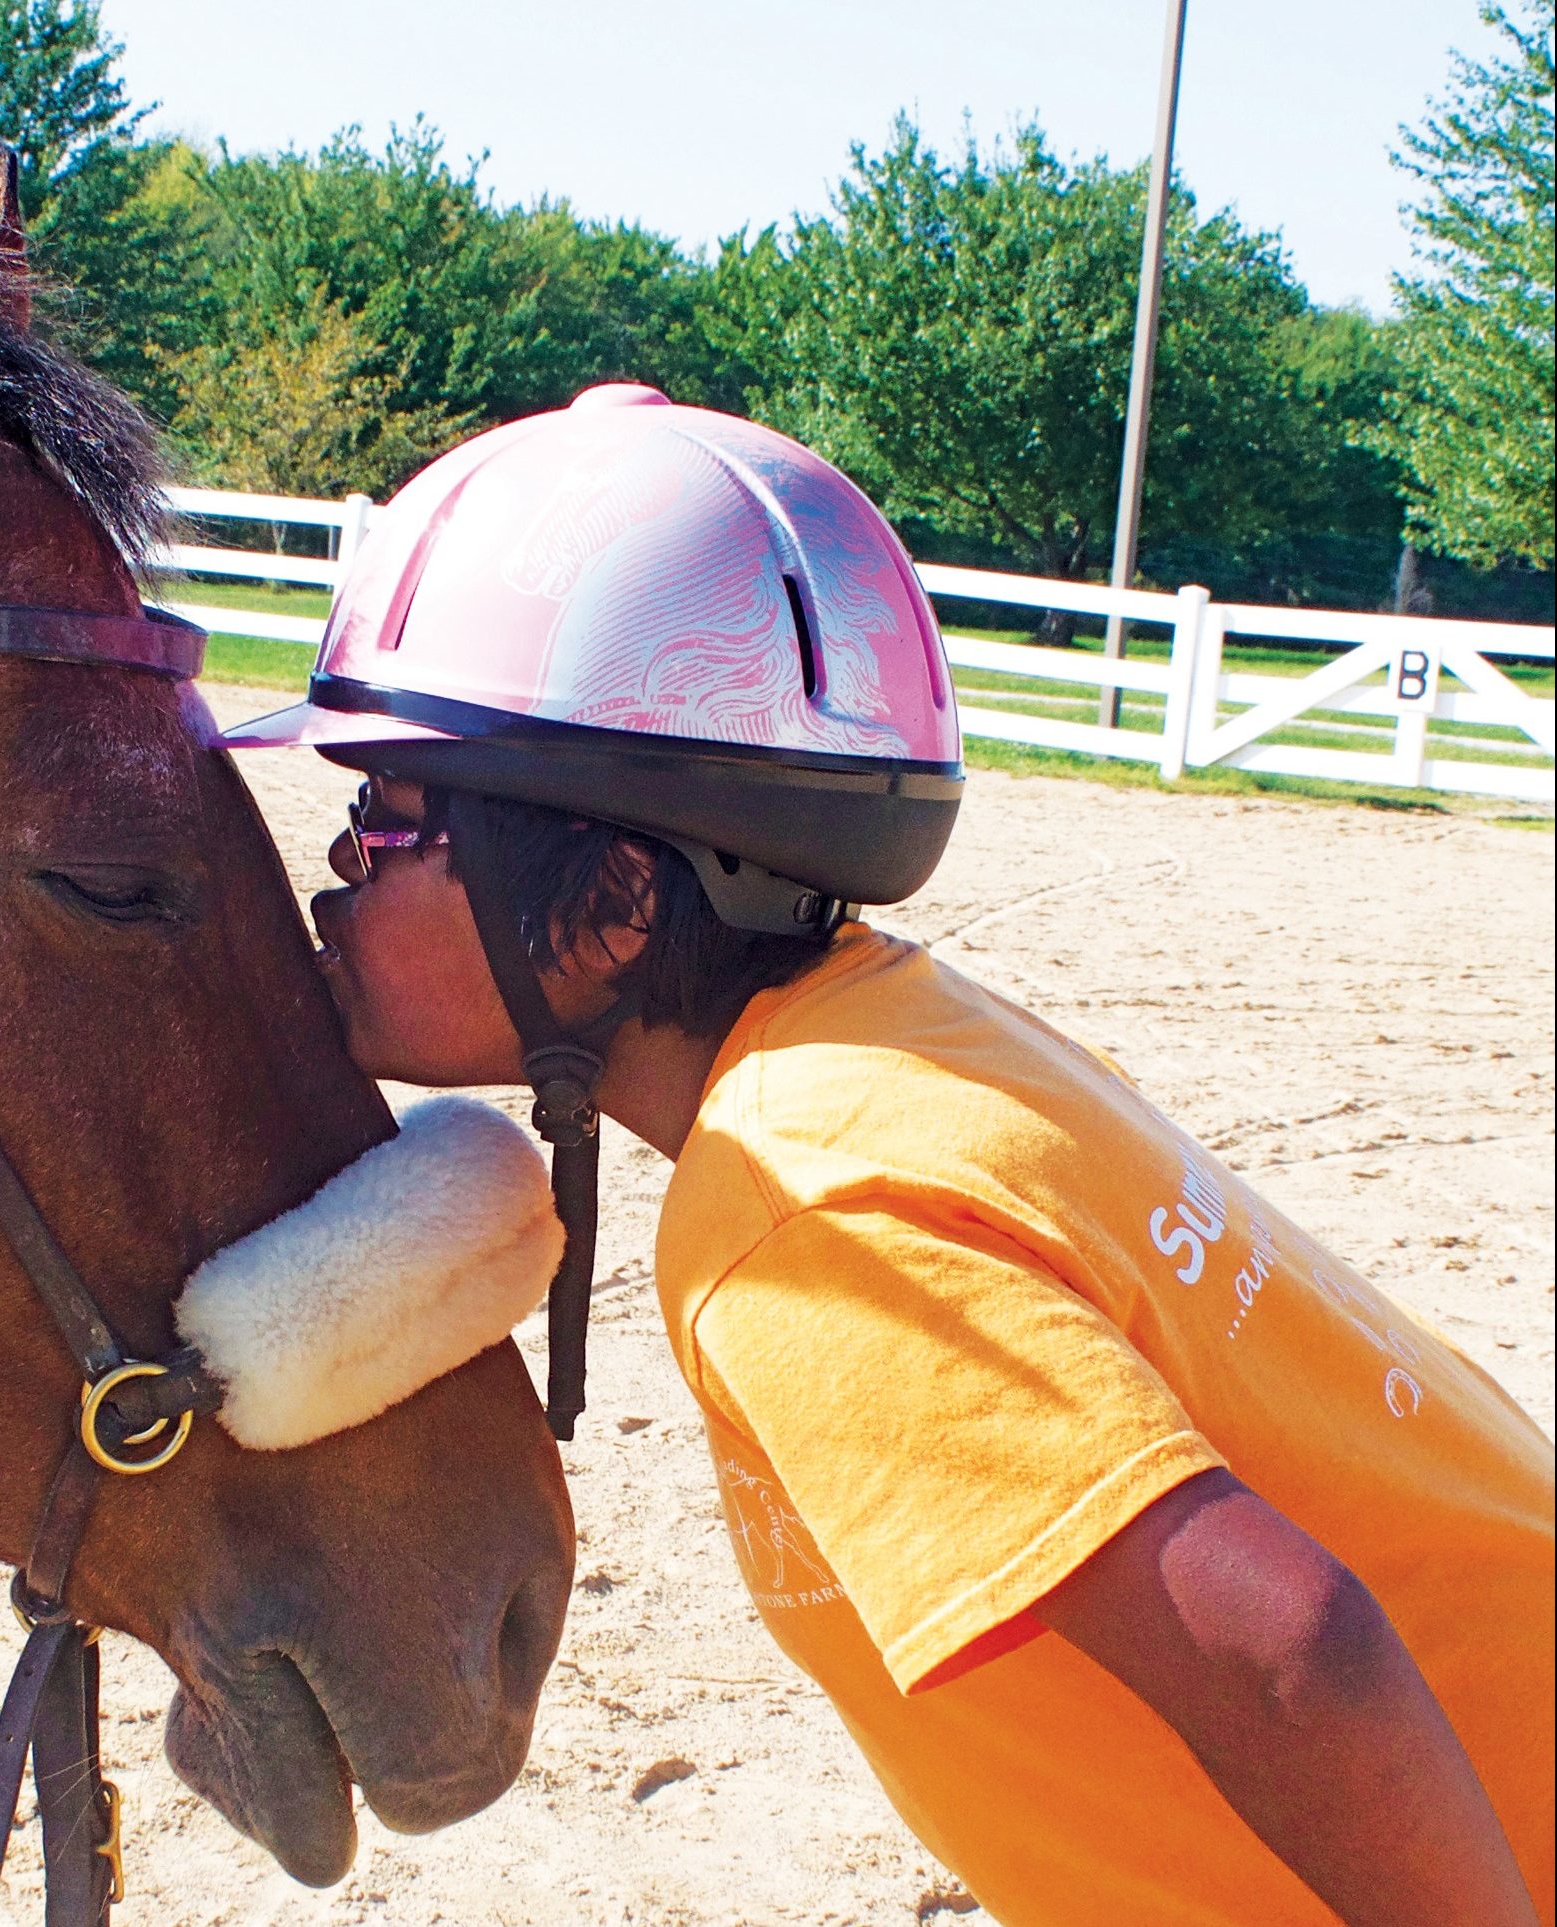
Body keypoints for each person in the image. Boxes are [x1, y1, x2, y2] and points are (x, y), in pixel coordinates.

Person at [222, 385, 1553, 1927]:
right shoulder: (902, 1039)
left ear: (610, 909)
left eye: (384, 820)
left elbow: (1290, 1645)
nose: (334, 874)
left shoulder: (800, 1214)